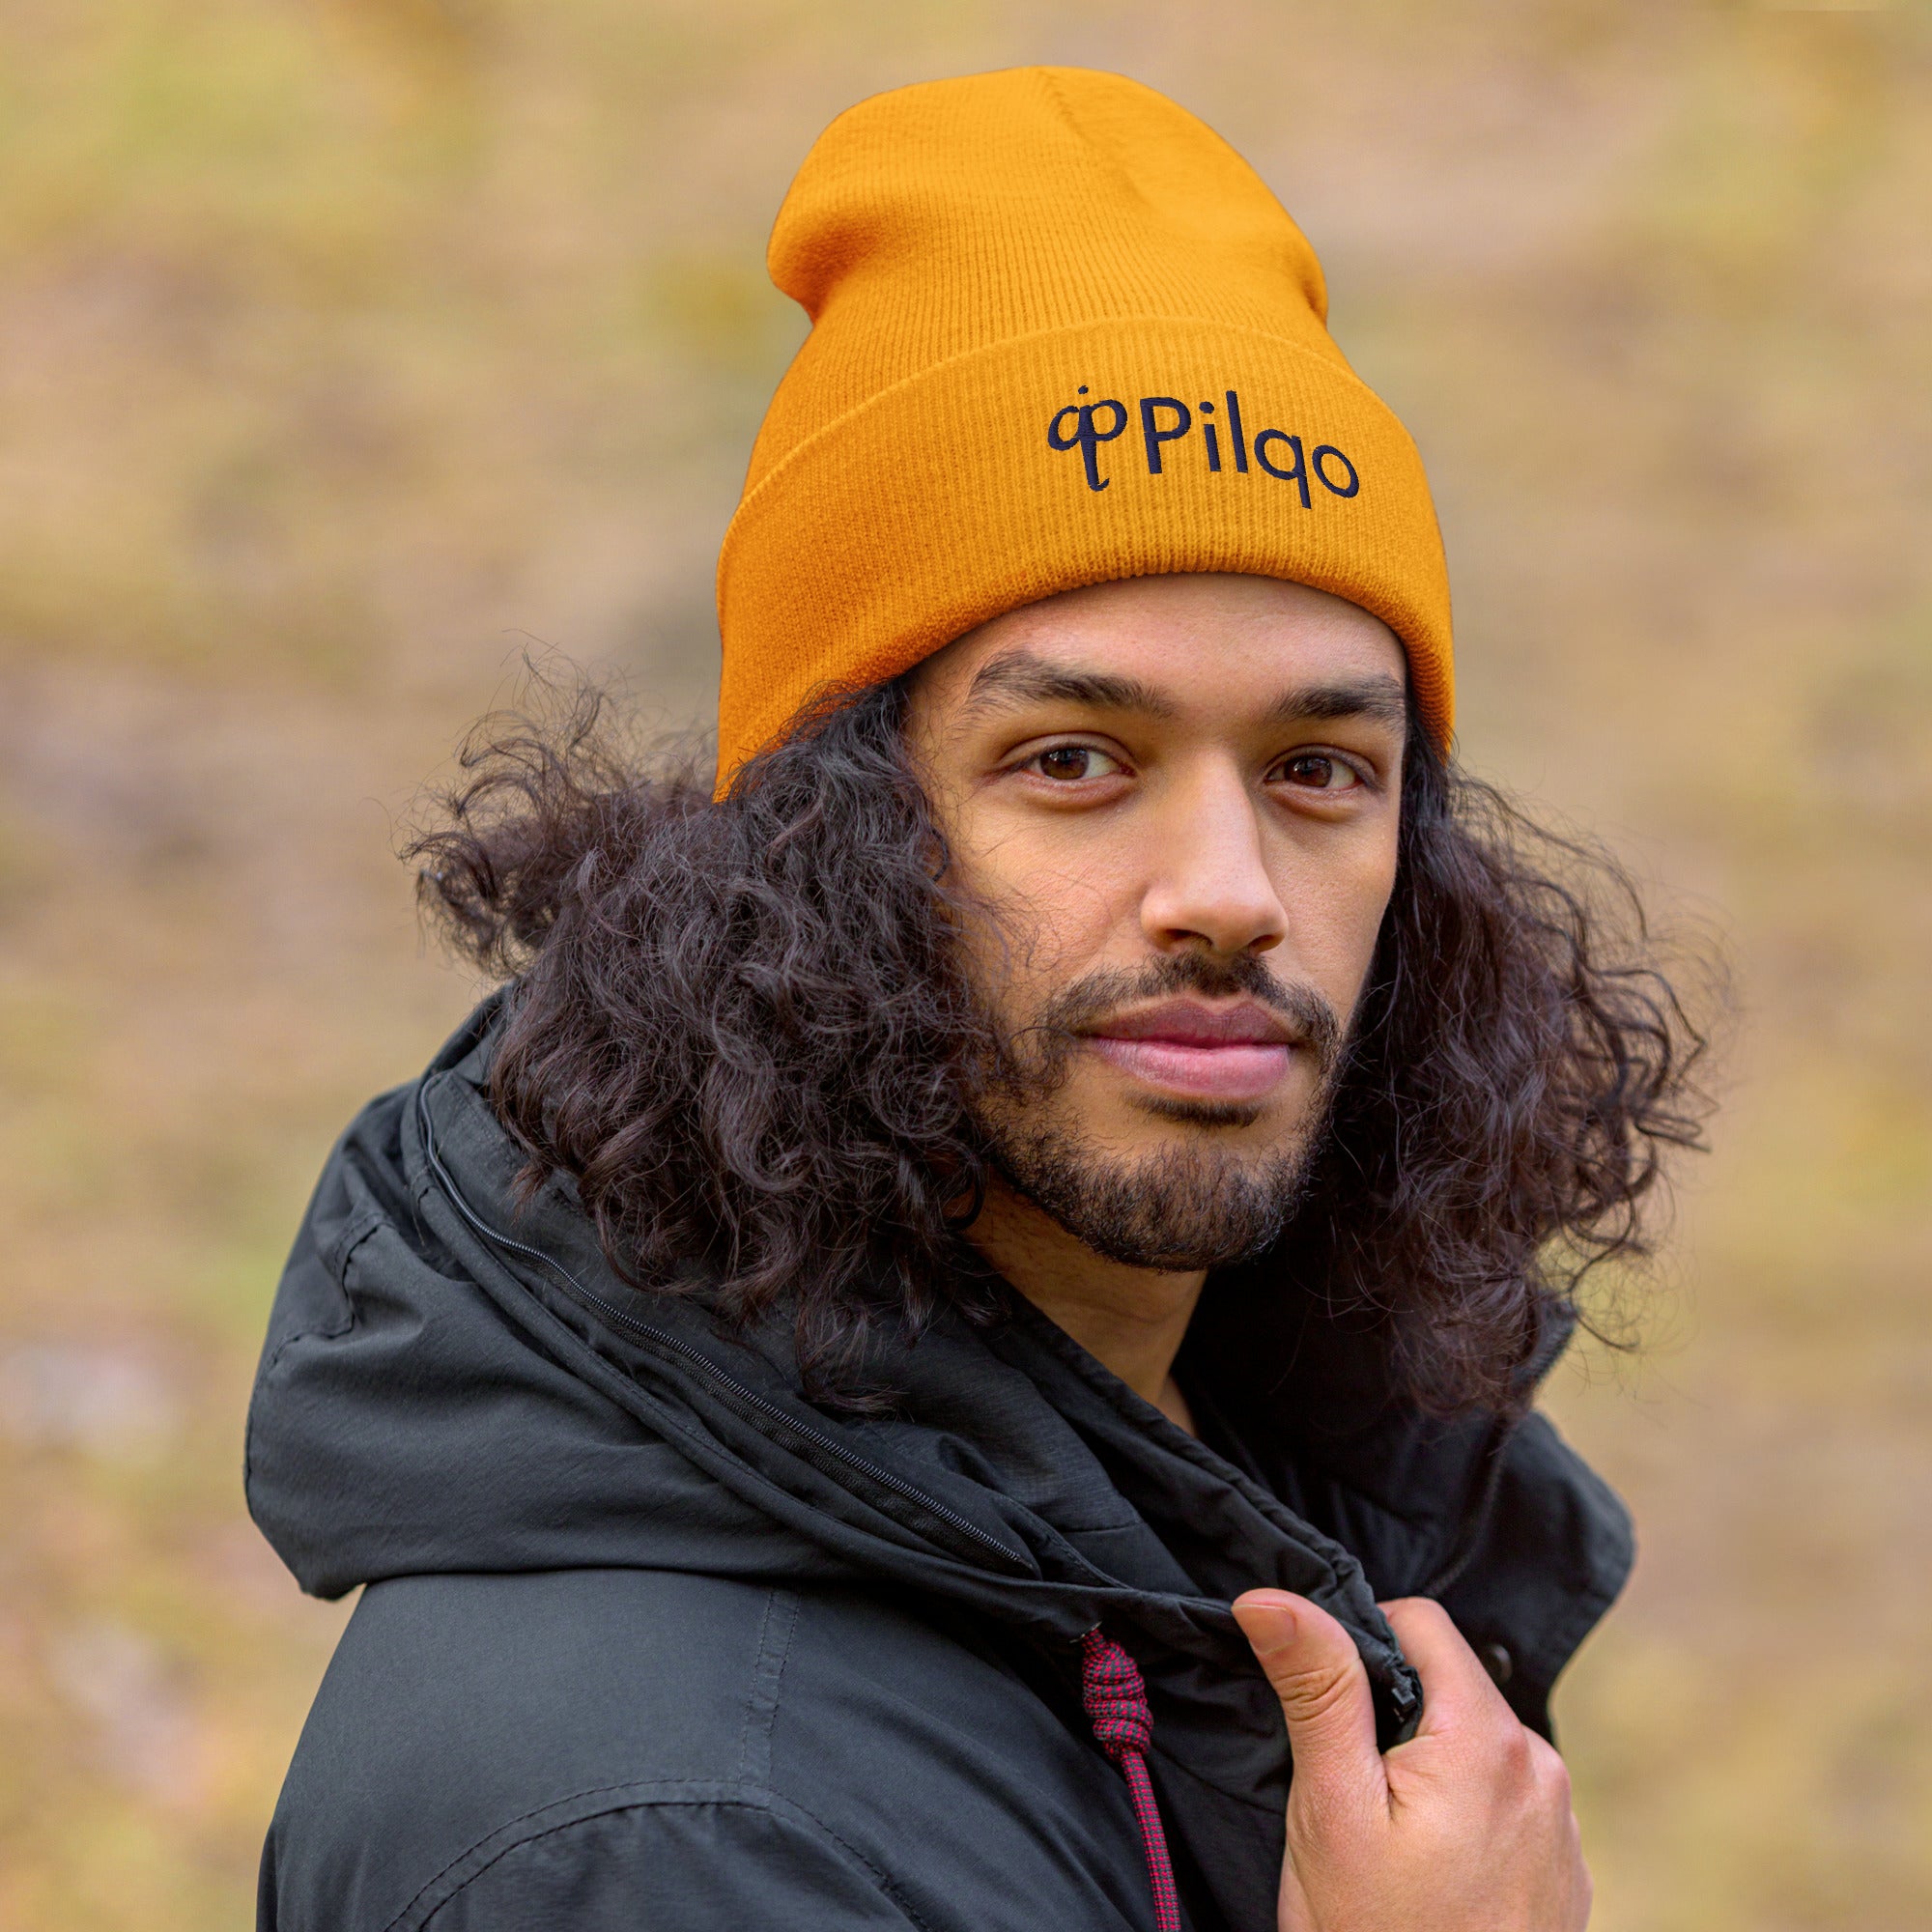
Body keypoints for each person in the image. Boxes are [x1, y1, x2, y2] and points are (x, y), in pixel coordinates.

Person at [248, 67, 1709, 1931]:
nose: (1231, 896)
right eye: (1075, 760)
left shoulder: (1240, 1481)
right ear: (821, 846)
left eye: (1320, 769)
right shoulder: (664, 1833)